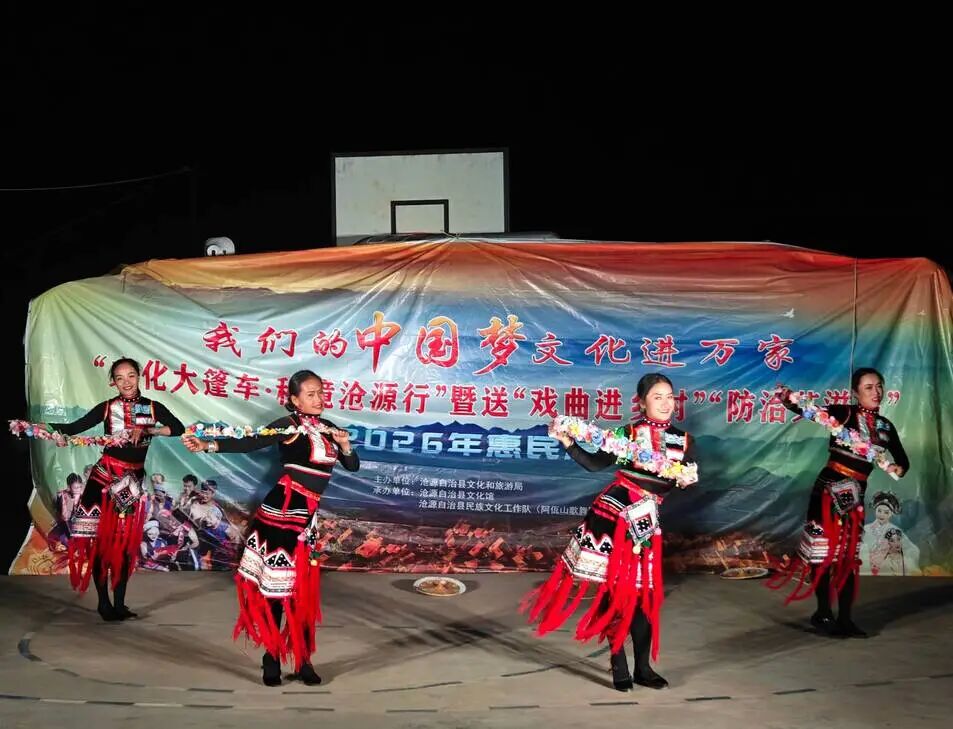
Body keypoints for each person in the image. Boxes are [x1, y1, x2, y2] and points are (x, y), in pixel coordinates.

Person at [521, 373, 698, 692]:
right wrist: (568, 442)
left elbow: (676, 481)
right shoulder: (625, 434)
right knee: (614, 590)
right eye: (657, 397)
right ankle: (619, 661)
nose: (665, 403)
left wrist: (685, 479)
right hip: (613, 514)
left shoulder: (685, 441)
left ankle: (643, 668)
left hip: (646, 520)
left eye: (670, 396)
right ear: (642, 402)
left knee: (644, 595)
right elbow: (593, 464)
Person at [183, 369, 359, 686]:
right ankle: (272, 655)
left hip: (307, 517)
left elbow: (352, 465)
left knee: (303, 590)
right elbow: (249, 442)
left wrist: (345, 445)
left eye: (320, 392)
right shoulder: (287, 425)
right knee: (277, 590)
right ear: (294, 400)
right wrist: (208, 445)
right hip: (282, 513)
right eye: (310, 394)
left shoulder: (328, 428)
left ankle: (303, 659)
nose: (318, 399)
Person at [768, 367, 909, 637]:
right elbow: (807, 410)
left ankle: (845, 619)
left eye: (879, 386)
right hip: (827, 491)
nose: (876, 392)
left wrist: (898, 468)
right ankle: (823, 612)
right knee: (822, 555)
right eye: (868, 387)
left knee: (847, 558)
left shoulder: (885, 427)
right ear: (855, 392)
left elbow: (902, 460)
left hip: (855, 497)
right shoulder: (843, 414)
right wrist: (789, 399)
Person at [44, 357, 184, 620]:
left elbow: (178, 428)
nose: (126, 382)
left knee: (124, 545)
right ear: (113, 382)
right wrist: (48, 429)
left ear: (139, 377)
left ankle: (119, 604)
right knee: (102, 543)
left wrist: (149, 431)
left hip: (130, 486)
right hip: (103, 481)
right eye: (120, 378)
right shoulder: (108, 407)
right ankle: (104, 604)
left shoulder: (152, 407)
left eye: (131, 376)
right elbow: (75, 427)